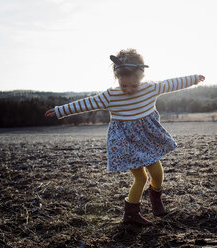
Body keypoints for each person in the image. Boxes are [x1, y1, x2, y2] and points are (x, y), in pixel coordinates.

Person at [45, 49, 205, 226]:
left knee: (157, 174)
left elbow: (172, 83)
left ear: (142, 78)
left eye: (134, 85)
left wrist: (195, 78)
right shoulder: (111, 95)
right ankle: (131, 214)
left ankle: (155, 196)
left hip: (147, 140)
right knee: (141, 178)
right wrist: (60, 110)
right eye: (124, 86)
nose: (128, 90)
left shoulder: (150, 88)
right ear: (117, 79)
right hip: (126, 143)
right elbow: (87, 103)